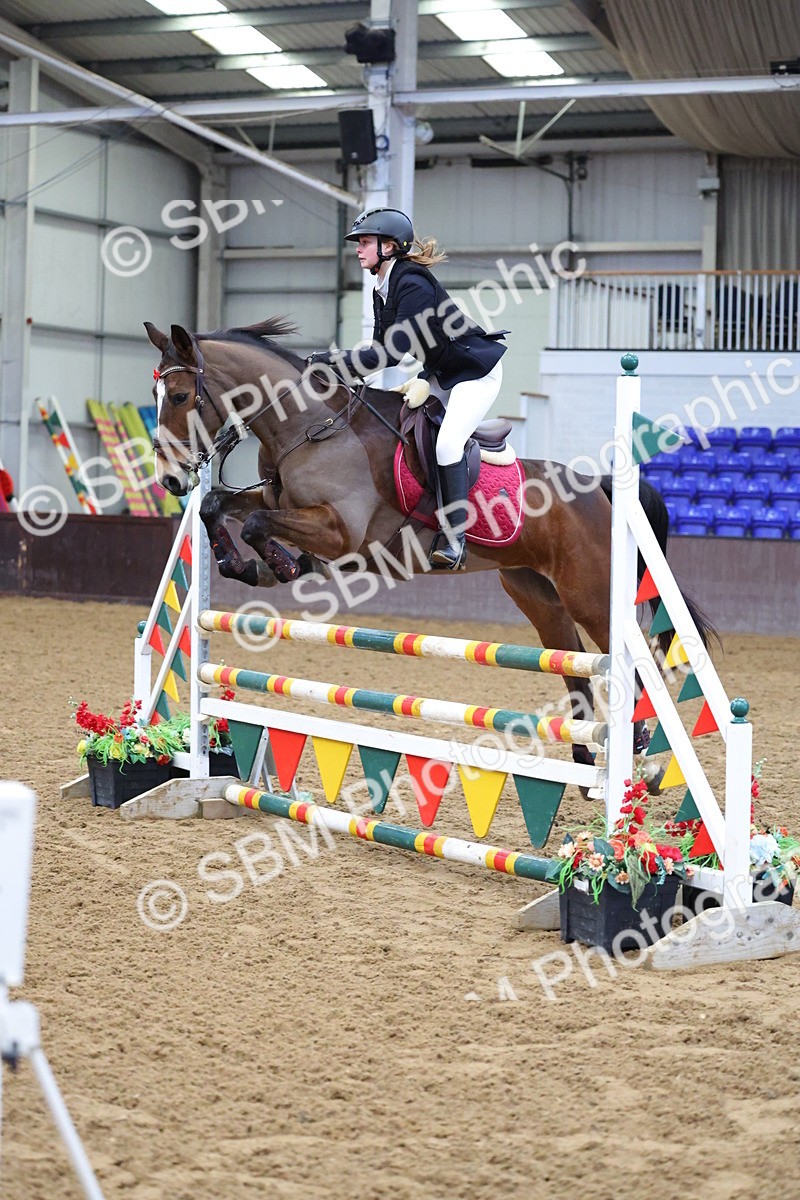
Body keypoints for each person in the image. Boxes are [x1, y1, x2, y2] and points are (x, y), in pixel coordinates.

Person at [307, 207, 508, 570]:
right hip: (442, 373)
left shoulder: (411, 282)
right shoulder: (382, 288)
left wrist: (333, 361)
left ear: (389, 246)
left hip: (475, 374)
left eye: (365, 242)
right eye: (359, 243)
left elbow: (393, 352)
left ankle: (454, 537)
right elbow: (381, 353)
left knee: (448, 444)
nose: (358, 249)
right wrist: (337, 368)